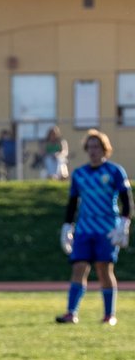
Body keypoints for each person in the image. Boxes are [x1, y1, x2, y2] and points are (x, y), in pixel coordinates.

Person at [55, 129, 132, 325]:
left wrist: (124, 223)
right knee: (79, 267)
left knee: (104, 269)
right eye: (89, 147)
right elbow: (73, 202)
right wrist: (67, 226)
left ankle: (109, 314)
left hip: (107, 228)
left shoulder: (115, 171)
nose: (93, 151)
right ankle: (71, 313)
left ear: (104, 149)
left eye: (96, 147)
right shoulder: (80, 174)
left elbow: (126, 199)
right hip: (84, 228)